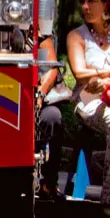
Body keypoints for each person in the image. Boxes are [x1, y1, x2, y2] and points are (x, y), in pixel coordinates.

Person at [67, 0, 110, 206]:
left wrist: (104, 79)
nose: (85, 6)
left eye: (91, 1)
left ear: (107, 4)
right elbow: (79, 73)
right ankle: (109, 196)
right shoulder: (77, 36)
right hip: (88, 101)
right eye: (83, 1)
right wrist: (106, 74)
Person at [36, 29, 66, 200]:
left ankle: (49, 184)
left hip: (38, 99)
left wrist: (40, 93)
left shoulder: (38, 35)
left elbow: (50, 68)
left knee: (52, 117)